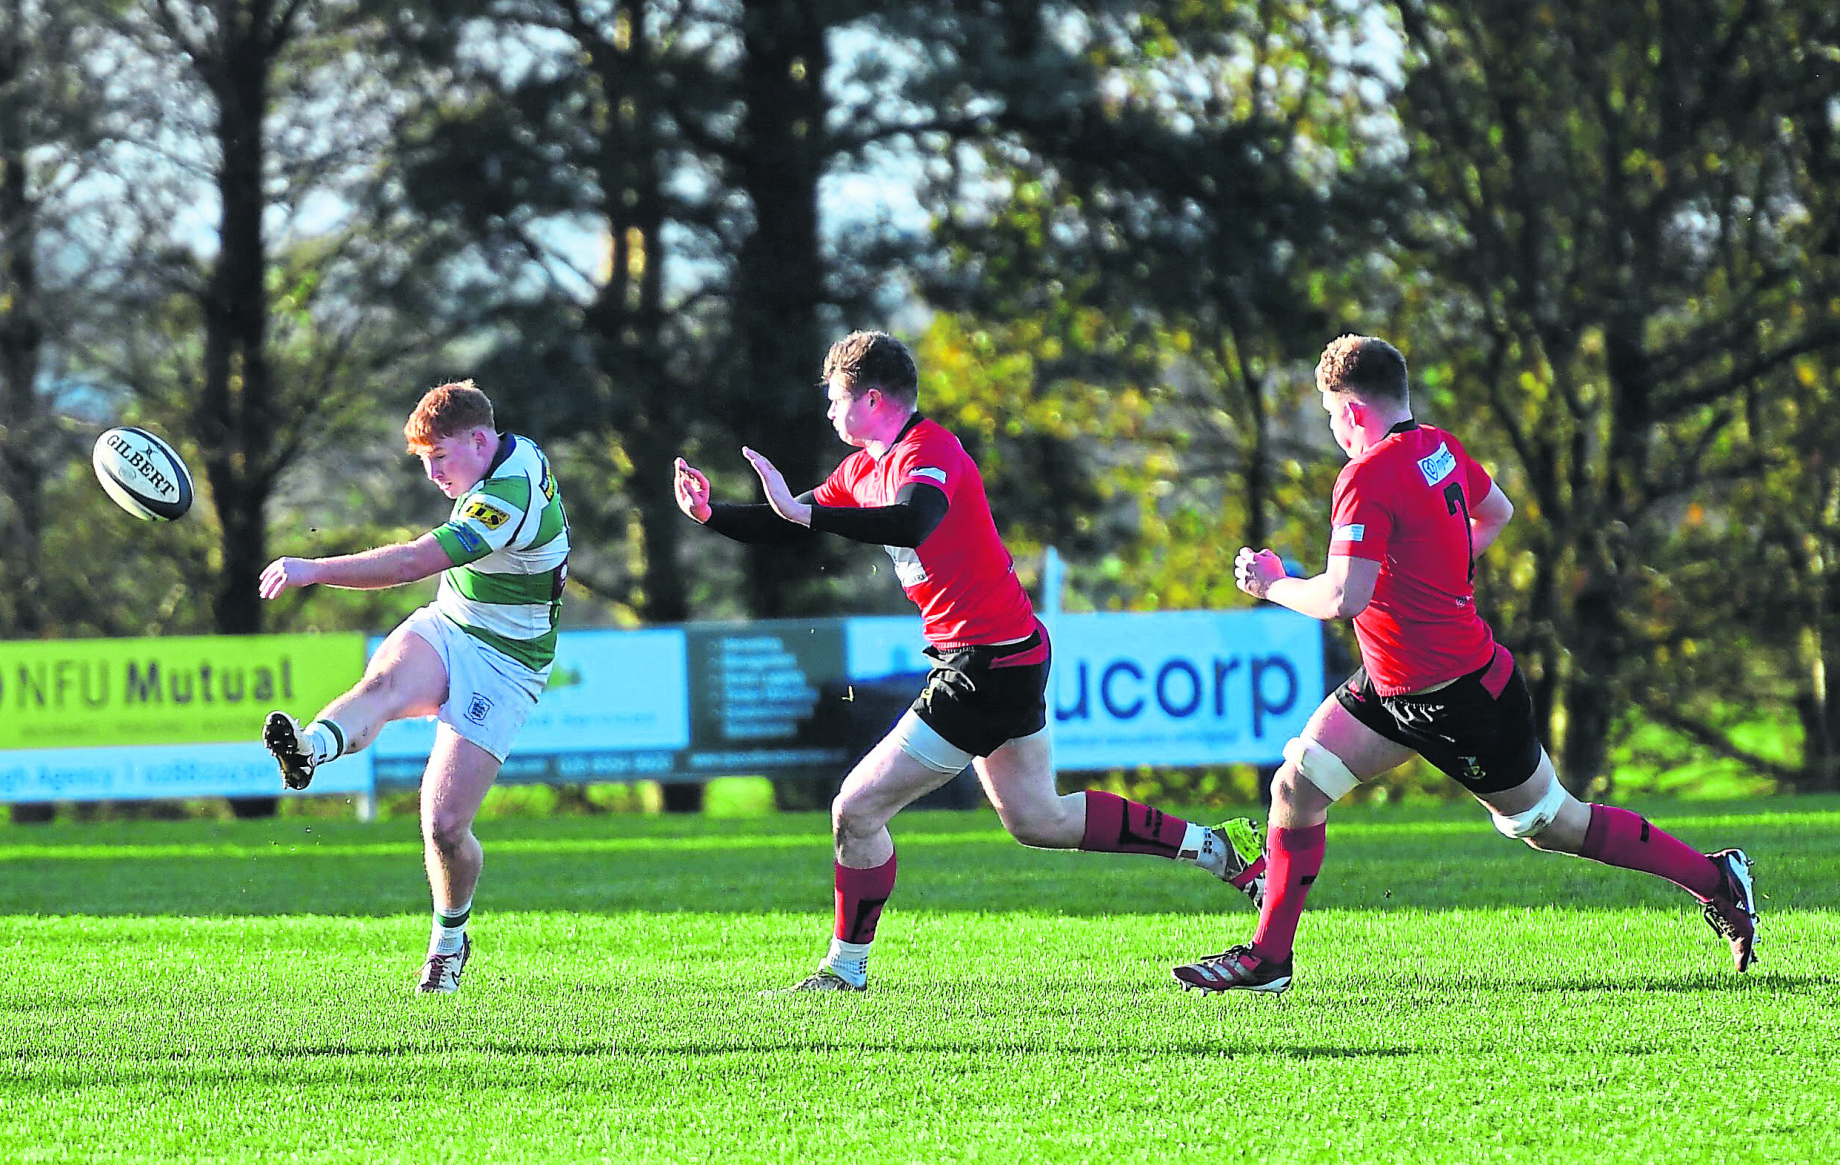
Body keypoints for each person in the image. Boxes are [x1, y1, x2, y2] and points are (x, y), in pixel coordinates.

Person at [673, 330, 1266, 993]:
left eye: (836, 398)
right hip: (1006, 653)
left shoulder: (931, 450)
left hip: (985, 665)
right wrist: (709, 514)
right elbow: (786, 520)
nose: (830, 413)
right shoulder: (863, 468)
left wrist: (803, 517)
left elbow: (913, 521)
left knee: (855, 810)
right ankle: (1220, 848)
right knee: (1039, 819)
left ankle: (845, 970)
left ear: (872, 398)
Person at [1173, 334, 1758, 995]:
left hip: (1465, 701)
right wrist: (1434, 577)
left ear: (1355, 412)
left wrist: (1272, 583)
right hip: (1391, 690)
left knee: (1552, 825)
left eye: (1333, 415)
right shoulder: (1439, 448)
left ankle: (1717, 880)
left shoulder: (1365, 476)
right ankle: (1268, 960)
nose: (1334, 429)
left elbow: (1341, 598)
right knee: (1295, 789)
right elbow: (1496, 513)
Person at [258, 380, 570, 994]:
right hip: (452, 623)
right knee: (385, 683)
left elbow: (408, 565)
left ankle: (450, 941)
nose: (432, 476)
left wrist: (312, 570)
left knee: (444, 826)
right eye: (425, 462)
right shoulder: (504, 451)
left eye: (439, 459)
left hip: (508, 662)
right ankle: (309, 750)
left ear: (479, 441)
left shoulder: (506, 497)